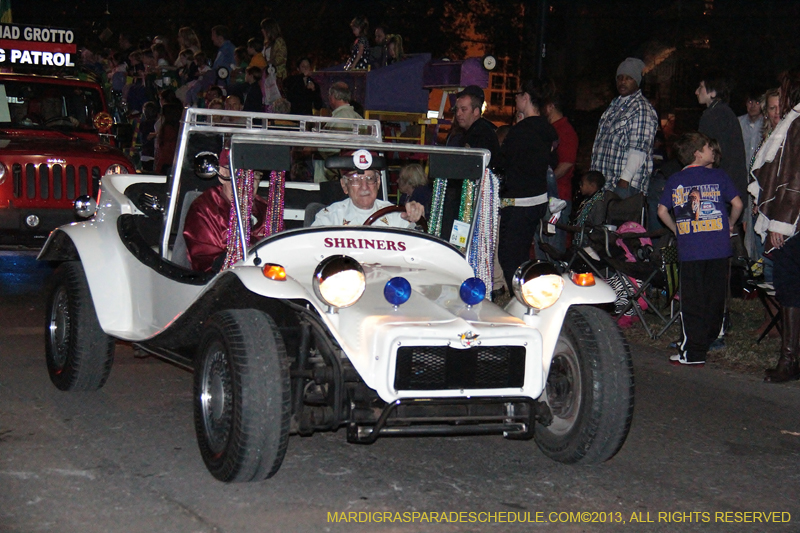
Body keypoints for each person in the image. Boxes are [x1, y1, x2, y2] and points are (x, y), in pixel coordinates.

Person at [658, 132, 743, 367]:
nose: (712, 150)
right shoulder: (718, 176)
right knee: (714, 298)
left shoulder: (676, 180)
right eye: (708, 147)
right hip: (718, 247)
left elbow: (661, 211)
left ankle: (693, 352)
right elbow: (737, 204)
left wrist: (677, 230)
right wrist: (731, 223)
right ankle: (707, 340)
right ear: (697, 153)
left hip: (692, 248)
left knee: (693, 300)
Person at [749, 66, 800, 383]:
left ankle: (790, 360)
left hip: (793, 224)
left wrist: (781, 222)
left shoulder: (796, 123)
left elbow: (794, 179)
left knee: (790, 286)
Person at [494, 79, 558, 289]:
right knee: (522, 253)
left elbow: (503, 162)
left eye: (518, 95)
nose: (516, 99)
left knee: (509, 256)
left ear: (526, 98)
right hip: (538, 199)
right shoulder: (547, 130)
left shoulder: (520, 132)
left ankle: (524, 299)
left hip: (518, 201)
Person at [183, 149, 270, 272]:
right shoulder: (205, 209)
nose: (251, 182)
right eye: (242, 173)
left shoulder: (267, 210)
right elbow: (206, 262)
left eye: (256, 175)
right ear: (223, 174)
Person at [590, 57, 659, 198]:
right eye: (620, 78)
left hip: (623, 186)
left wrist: (625, 179)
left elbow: (639, 148)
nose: (622, 82)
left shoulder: (641, 108)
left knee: (618, 220)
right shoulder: (615, 105)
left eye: (628, 78)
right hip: (605, 183)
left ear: (637, 81)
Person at [312, 150, 424, 227]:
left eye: (370, 178)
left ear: (378, 182)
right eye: (356, 180)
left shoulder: (397, 216)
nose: (364, 186)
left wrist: (416, 218)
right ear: (344, 186)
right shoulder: (329, 219)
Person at [696, 73, 748, 198]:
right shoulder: (724, 112)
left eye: (701, 87)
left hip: (721, 189)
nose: (696, 92)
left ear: (713, 92)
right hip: (731, 187)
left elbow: (708, 153)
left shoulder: (714, 115)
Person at [453, 85, 499, 166]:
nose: (458, 114)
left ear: (476, 111)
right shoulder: (480, 130)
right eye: (456, 109)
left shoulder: (480, 134)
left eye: (463, 109)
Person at [739, 88, 764, 165]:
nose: (752, 106)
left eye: (757, 102)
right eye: (750, 102)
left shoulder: (767, 124)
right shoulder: (738, 123)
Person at [260, 18, 288, 84]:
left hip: (277, 75)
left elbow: (281, 58)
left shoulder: (279, 41)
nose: (262, 31)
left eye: (263, 28)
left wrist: (268, 64)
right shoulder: (266, 43)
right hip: (266, 75)